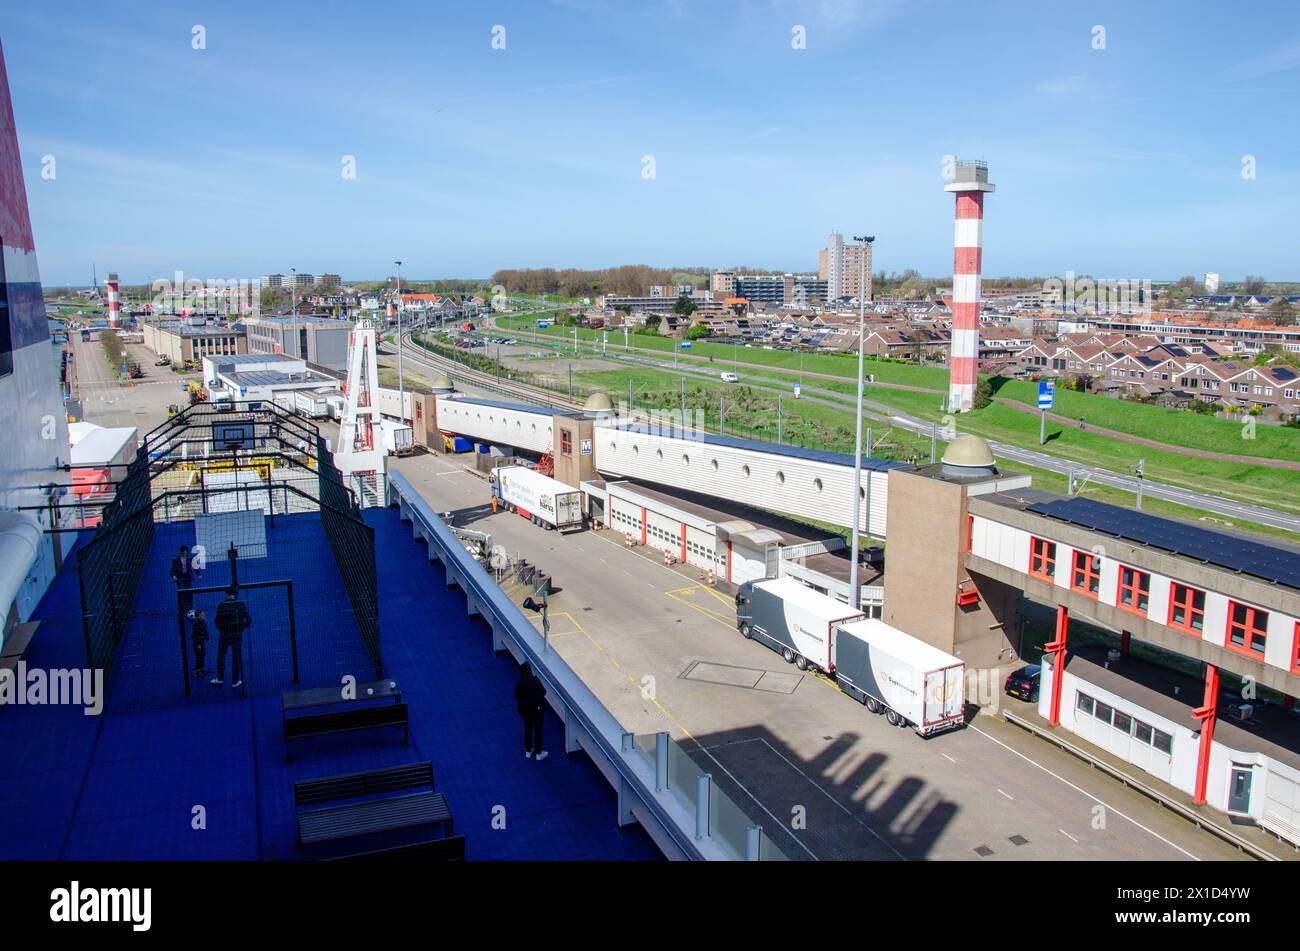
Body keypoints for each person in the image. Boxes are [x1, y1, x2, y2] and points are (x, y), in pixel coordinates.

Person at [211, 588, 251, 689]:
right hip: (237, 635)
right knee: (236, 657)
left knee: (221, 656)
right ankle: (235, 681)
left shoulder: (221, 605)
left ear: (226, 594)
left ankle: (220, 678)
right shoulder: (241, 604)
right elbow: (249, 620)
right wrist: (239, 628)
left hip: (224, 635)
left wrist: (223, 630)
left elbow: (217, 621)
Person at [514, 662, 548, 761]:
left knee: (527, 730)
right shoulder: (535, 680)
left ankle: (528, 751)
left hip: (525, 711)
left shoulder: (519, 683)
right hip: (537, 710)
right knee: (538, 731)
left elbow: (516, 696)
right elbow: (543, 691)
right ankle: (539, 753)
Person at [171, 545, 195, 617]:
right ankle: (181, 610)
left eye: (186, 553)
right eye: (183, 553)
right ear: (181, 552)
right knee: (181, 593)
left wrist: (199, 574)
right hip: (180, 578)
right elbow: (172, 569)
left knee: (189, 593)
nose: (185, 554)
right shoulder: (176, 560)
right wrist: (173, 575)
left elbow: (194, 567)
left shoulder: (190, 558)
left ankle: (189, 610)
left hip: (188, 577)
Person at [191, 608, 209, 678]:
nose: (204, 616)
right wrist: (198, 644)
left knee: (203, 655)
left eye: (203, 615)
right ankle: (197, 671)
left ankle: (201, 669)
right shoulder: (196, 625)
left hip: (202, 642)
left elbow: (205, 630)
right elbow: (194, 636)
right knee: (199, 657)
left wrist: (207, 637)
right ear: (197, 616)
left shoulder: (203, 622)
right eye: (202, 615)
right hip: (198, 644)